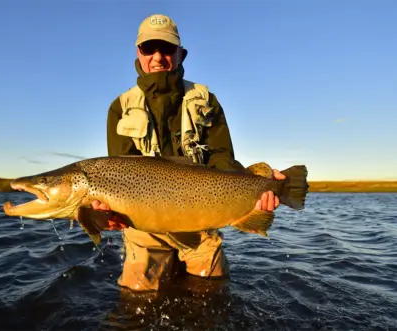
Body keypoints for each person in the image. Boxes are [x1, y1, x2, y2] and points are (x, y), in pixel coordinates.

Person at [91, 14, 285, 291]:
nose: (158, 57)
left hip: (202, 221)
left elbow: (221, 157)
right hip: (144, 229)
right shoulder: (120, 107)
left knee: (212, 293)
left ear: (181, 54)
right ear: (138, 52)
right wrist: (105, 214)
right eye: (149, 48)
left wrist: (257, 185)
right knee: (137, 302)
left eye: (167, 49)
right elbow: (121, 173)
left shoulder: (206, 100)